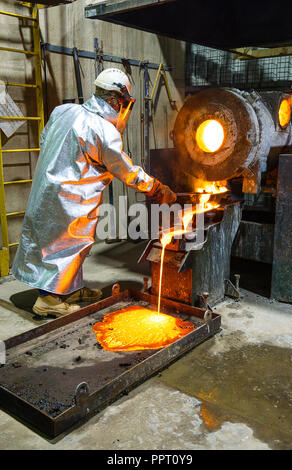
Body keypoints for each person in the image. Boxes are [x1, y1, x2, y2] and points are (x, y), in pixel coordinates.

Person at [12, 68, 177, 317]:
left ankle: (68, 288)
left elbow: (45, 138)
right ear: (115, 100)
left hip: (48, 189)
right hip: (71, 199)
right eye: (124, 103)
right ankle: (49, 301)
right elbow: (126, 170)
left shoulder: (65, 110)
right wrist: (156, 188)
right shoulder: (103, 130)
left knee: (57, 244)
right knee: (67, 245)